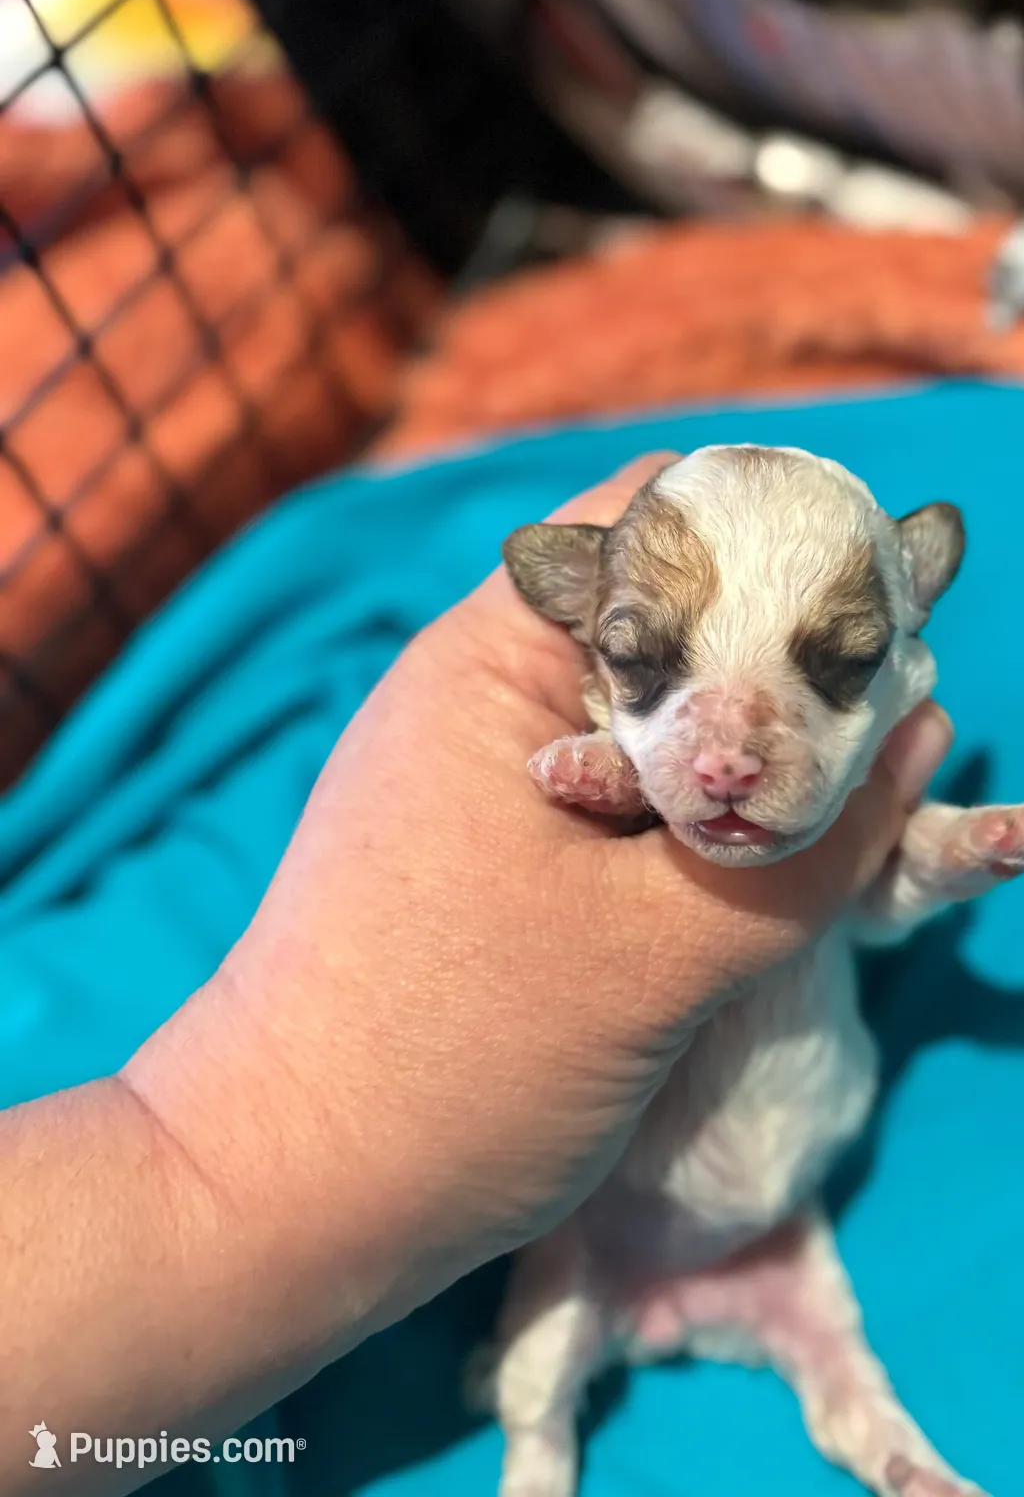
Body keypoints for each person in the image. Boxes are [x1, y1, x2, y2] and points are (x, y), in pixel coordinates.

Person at [0, 454, 953, 1496]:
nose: (728, 758)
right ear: (588, 632)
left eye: (841, 664)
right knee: (542, 1395)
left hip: (774, 1196)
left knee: (847, 1367)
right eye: (644, 662)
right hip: (592, 1215)